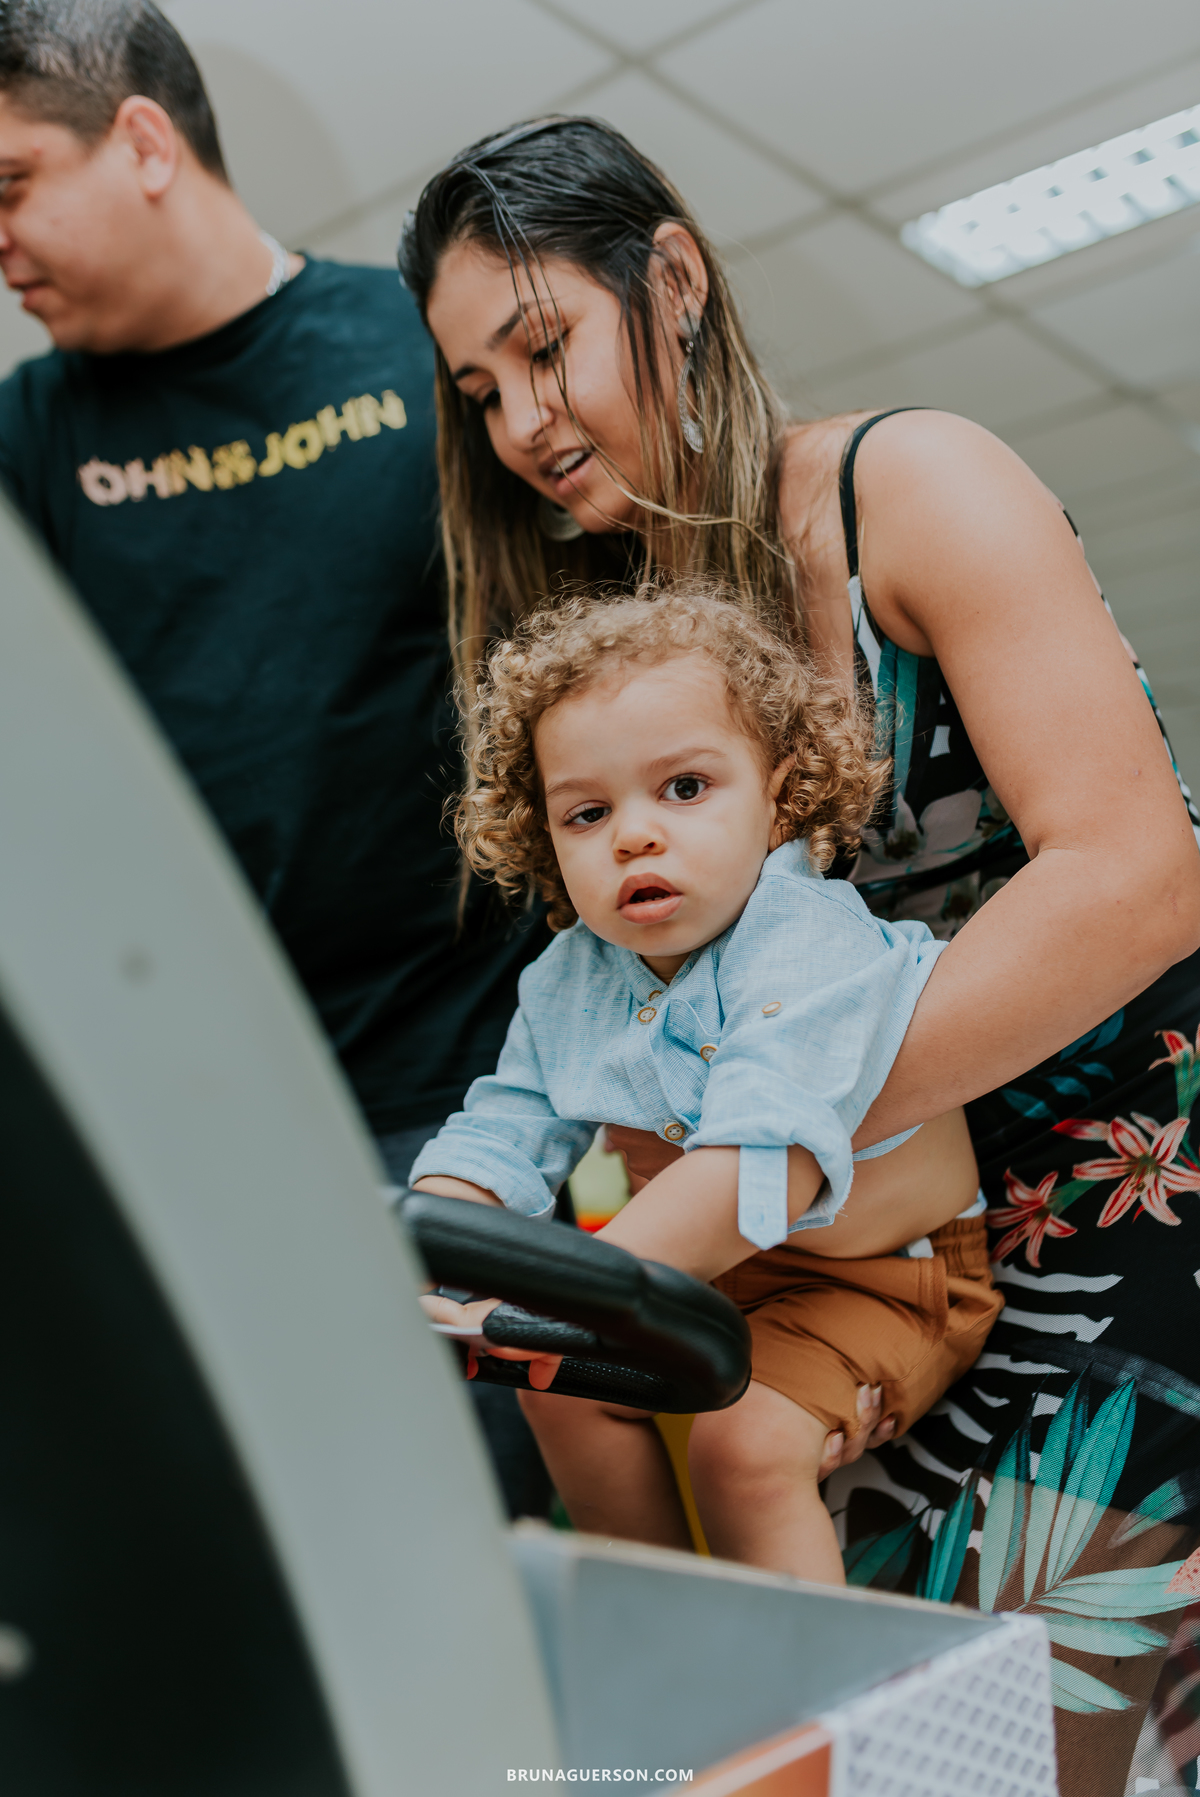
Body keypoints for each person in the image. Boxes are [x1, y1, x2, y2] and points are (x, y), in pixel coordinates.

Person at [399, 116, 1200, 1792]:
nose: (524, 422)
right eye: (480, 391)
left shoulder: (904, 483)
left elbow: (1137, 877)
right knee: (858, 1720)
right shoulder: (629, 669)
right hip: (861, 1231)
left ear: (672, 279)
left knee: (1077, 1728)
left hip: (1123, 1186)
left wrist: (755, 1127)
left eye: (545, 347)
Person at [0, 0, 551, 1515]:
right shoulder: (31, 438)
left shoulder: (419, 347)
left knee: (468, 1535)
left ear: (145, 140)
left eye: (9, 187)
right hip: (208, 1114)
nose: (1, 245)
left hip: (475, 1087)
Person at [414, 583, 1000, 1582]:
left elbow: (755, 1159)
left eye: (684, 788)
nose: (634, 835)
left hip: (883, 1277)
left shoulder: (805, 941)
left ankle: (815, 1707)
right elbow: (506, 1130)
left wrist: (567, 1297)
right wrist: (425, 1244)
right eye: (588, 812)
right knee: (554, 1387)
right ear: (544, 836)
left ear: (777, 792)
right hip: (703, 1272)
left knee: (742, 1445)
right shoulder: (567, 979)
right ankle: (658, 1629)